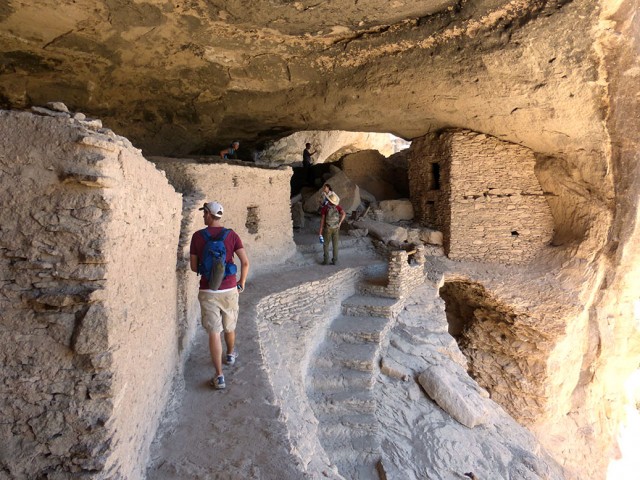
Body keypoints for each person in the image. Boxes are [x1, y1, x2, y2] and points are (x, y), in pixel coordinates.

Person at [190, 201, 250, 390]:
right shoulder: (231, 235)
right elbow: (245, 262)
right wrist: (241, 282)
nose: (203, 216)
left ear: (209, 214)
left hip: (208, 290)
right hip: (230, 289)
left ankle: (219, 376)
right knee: (229, 326)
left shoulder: (198, 237)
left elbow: (193, 267)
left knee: (214, 333)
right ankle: (230, 355)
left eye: (204, 213)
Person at [318, 192, 346, 265]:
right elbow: (344, 214)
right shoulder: (338, 207)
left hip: (327, 228)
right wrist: (339, 223)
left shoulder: (325, 208)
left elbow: (322, 220)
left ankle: (326, 260)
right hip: (336, 228)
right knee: (335, 245)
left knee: (326, 244)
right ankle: (335, 261)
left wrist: (320, 231)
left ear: (329, 200)